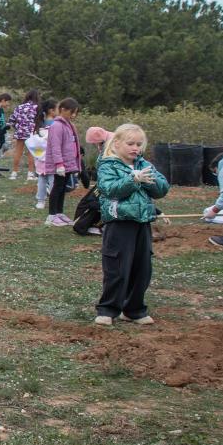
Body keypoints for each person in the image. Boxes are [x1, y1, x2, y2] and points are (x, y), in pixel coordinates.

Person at [95, 124, 168, 325]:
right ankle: (108, 310)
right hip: (119, 223)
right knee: (117, 267)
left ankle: (134, 310)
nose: (135, 148)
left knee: (142, 268)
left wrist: (146, 180)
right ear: (117, 143)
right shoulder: (108, 165)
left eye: (139, 144)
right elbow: (110, 189)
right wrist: (132, 179)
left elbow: (162, 189)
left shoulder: (144, 165)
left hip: (142, 223)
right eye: (130, 143)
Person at [42, 98, 82, 226]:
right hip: (61, 164)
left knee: (62, 187)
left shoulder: (69, 124)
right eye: (72, 112)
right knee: (57, 187)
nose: (74, 115)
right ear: (63, 109)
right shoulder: (57, 126)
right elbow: (55, 146)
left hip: (68, 163)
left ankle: (59, 212)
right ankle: (51, 215)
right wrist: (59, 164)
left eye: (76, 113)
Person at [9, 90, 41, 179]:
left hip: (20, 132)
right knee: (31, 153)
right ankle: (30, 174)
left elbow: (12, 119)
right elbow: (39, 120)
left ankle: (14, 173)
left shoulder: (19, 107)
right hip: (31, 132)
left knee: (18, 152)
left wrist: (17, 127)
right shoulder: (37, 107)